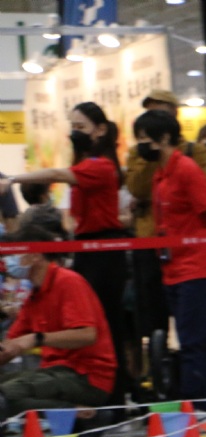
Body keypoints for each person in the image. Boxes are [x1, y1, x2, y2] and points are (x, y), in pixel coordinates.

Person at [0, 102, 131, 402]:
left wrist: (12, 180)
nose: (75, 133)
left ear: (100, 129)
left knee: (107, 326)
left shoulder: (100, 166)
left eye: (81, 127)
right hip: (85, 248)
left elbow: (59, 173)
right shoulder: (87, 164)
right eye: (72, 127)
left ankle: (112, 401)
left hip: (103, 252)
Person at [134, 109, 206, 401]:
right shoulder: (159, 174)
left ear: (164, 138)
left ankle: (195, 404)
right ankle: (193, 399)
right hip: (173, 268)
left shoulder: (186, 169)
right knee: (187, 340)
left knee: (192, 341)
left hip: (198, 267)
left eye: (144, 139)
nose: (140, 146)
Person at [127, 90, 206, 376]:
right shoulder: (139, 154)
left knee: (192, 329)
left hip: (190, 251)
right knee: (152, 319)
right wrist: (153, 157)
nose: (154, 117)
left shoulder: (194, 153)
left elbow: (202, 196)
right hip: (151, 244)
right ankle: (156, 376)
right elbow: (137, 188)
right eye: (149, 112)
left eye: (161, 110)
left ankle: (194, 385)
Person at [0, 225, 116, 417]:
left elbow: (87, 335)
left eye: (14, 253)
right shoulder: (35, 297)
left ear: (35, 255)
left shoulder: (68, 282)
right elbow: (9, 347)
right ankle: (75, 413)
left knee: (6, 395)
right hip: (54, 372)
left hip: (86, 376)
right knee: (7, 393)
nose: (8, 261)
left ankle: (81, 416)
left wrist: (36, 338)